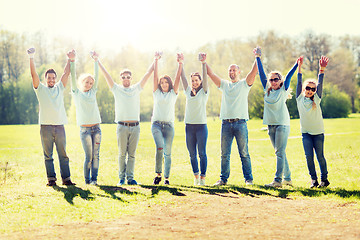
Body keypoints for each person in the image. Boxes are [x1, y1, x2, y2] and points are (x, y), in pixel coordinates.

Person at [97, 52, 155, 186]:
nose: (126, 79)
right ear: (121, 78)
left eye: (128, 77)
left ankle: (130, 178)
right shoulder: (116, 89)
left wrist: (155, 60)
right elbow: (106, 75)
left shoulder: (136, 88)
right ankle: (121, 178)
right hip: (122, 127)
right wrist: (98, 60)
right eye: (123, 77)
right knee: (122, 154)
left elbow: (147, 74)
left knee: (132, 155)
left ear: (131, 78)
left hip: (135, 127)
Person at [204, 53, 258, 186]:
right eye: (230, 70)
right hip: (226, 124)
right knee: (224, 154)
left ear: (239, 72)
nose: (232, 72)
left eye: (234, 70)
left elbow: (254, 72)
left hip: (240, 123)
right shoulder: (224, 85)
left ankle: (248, 179)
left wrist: (257, 57)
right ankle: (223, 179)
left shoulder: (244, 84)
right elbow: (210, 74)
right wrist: (204, 62)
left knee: (244, 153)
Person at [27, 47, 76, 186]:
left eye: (53, 78)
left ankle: (66, 179)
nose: (52, 80)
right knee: (48, 156)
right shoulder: (40, 89)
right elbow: (33, 75)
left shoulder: (60, 88)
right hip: (45, 127)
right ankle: (51, 180)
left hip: (60, 126)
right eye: (49, 78)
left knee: (63, 155)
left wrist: (70, 59)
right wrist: (31, 57)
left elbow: (67, 73)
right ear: (45, 79)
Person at [254, 46, 300, 188]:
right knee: (279, 152)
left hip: (282, 125)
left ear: (280, 81)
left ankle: (277, 181)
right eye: (271, 79)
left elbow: (289, 75)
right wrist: (257, 58)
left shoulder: (283, 90)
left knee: (279, 152)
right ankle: (287, 178)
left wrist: (297, 64)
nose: (273, 81)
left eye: (276, 79)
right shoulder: (266, 90)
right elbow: (261, 73)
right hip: (270, 125)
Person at [296, 56, 330, 188]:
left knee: (320, 157)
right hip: (306, 133)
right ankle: (314, 180)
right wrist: (299, 67)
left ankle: (324, 180)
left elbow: (320, 83)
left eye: (313, 89)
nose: (310, 90)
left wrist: (322, 69)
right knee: (309, 158)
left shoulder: (317, 99)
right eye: (308, 88)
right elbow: (299, 82)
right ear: (304, 89)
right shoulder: (299, 98)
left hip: (318, 133)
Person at [70, 50, 102, 185]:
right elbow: (72, 77)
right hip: (85, 131)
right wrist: (72, 61)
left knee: (96, 156)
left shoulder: (93, 92)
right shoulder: (76, 93)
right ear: (81, 82)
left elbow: (97, 76)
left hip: (97, 129)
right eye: (86, 82)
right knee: (88, 156)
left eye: (91, 83)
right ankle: (87, 181)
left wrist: (96, 60)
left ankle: (94, 180)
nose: (89, 84)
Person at [151, 52, 182, 185]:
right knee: (160, 147)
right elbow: (155, 76)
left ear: (169, 84)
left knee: (168, 153)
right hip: (156, 125)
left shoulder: (173, 94)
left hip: (169, 126)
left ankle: (167, 178)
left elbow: (178, 78)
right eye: (161, 82)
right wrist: (156, 60)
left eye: (166, 82)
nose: (163, 84)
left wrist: (180, 63)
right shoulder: (156, 93)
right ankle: (158, 174)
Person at [180, 53, 209, 186]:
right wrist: (180, 63)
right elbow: (182, 77)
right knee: (192, 154)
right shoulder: (187, 92)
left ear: (200, 81)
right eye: (193, 80)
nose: (194, 82)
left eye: (197, 80)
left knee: (202, 153)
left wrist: (203, 63)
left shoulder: (204, 92)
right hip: (189, 127)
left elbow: (205, 77)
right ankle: (196, 177)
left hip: (201, 127)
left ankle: (203, 178)